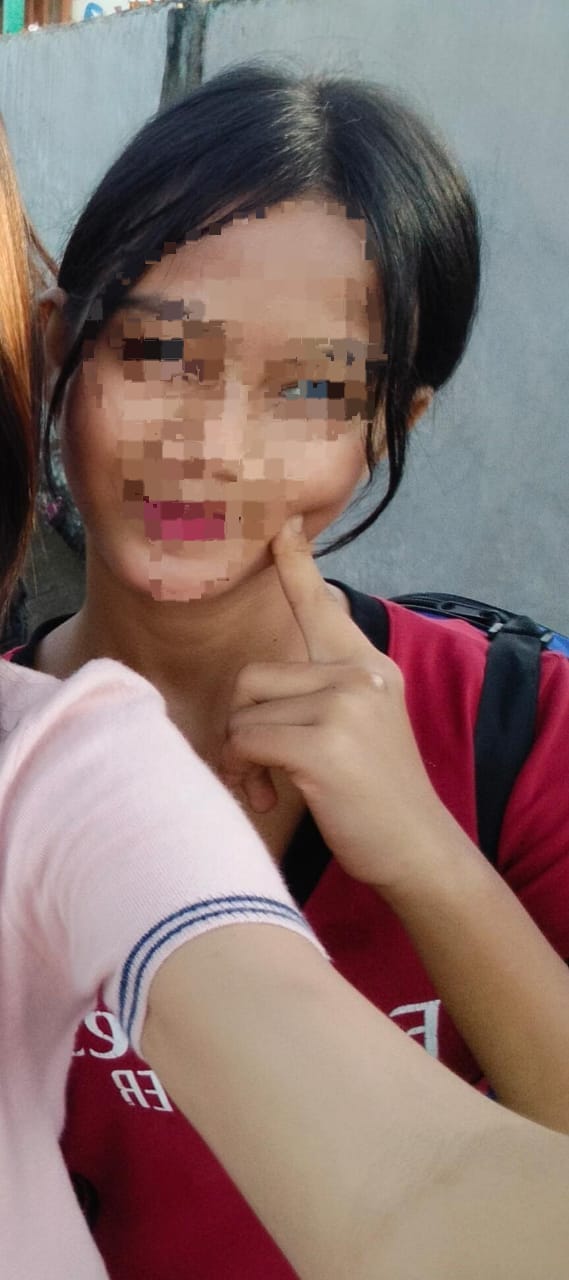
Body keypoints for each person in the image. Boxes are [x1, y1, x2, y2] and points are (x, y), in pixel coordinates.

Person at [5, 62, 566, 1279]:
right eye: (160, 349)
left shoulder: (519, 732)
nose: (212, 446)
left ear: (389, 425)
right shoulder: (15, 771)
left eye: (312, 386)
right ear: (60, 350)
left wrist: (428, 855)